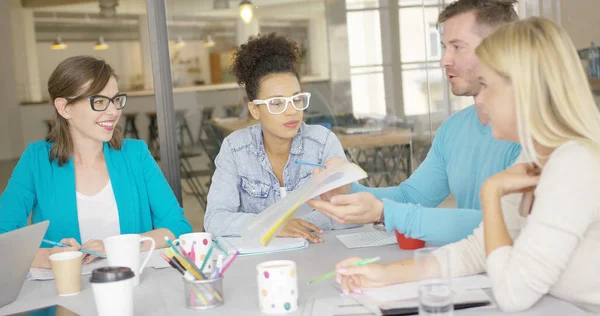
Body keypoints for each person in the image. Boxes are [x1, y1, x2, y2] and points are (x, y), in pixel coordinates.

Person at [334, 17, 600, 313]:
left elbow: (513, 294)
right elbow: (478, 249)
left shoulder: (574, 165)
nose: (480, 100)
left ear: (523, 91)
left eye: (486, 85)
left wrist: (491, 194)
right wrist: (386, 275)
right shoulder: (535, 156)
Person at [308, 0, 521, 246]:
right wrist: (347, 190)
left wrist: (383, 212)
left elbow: (499, 224)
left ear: (498, 51)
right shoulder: (454, 129)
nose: (444, 60)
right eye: (444, 47)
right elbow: (411, 196)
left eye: (457, 47)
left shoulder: (533, 130)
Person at [0, 56, 192, 268]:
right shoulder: (36, 161)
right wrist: (49, 257)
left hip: (134, 285)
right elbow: (4, 238)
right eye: (98, 101)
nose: (113, 111)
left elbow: (177, 227)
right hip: (65, 292)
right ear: (64, 108)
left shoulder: (136, 155)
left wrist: (118, 246)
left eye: (116, 99)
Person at [204, 33, 358, 242]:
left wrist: (340, 192)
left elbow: (351, 216)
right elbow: (215, 219)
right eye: (277, 103)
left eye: (296, 99)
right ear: (255, 110)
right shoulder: (235, 148)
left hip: (318, 254)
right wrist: (272, 225)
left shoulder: (322, 143)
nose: (291, 111)